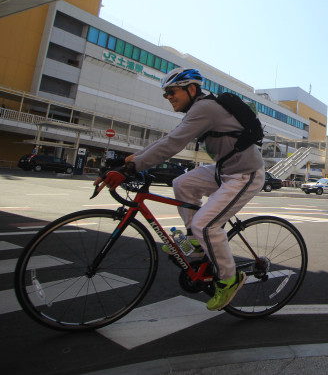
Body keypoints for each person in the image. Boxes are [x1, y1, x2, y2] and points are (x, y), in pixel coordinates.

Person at [94, 67, 265, 311]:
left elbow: (173, 144)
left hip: (245, 173)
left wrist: (131, 167)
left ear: (191, 89)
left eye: (172, 92)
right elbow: (169, 139)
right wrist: (129, 162)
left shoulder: (204, 108)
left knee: (206, 224)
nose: (169, 97)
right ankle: (195, 242)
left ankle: (229, 279)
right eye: (166, 94)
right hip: (224, 170)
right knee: (182, 183)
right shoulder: (200, 109)